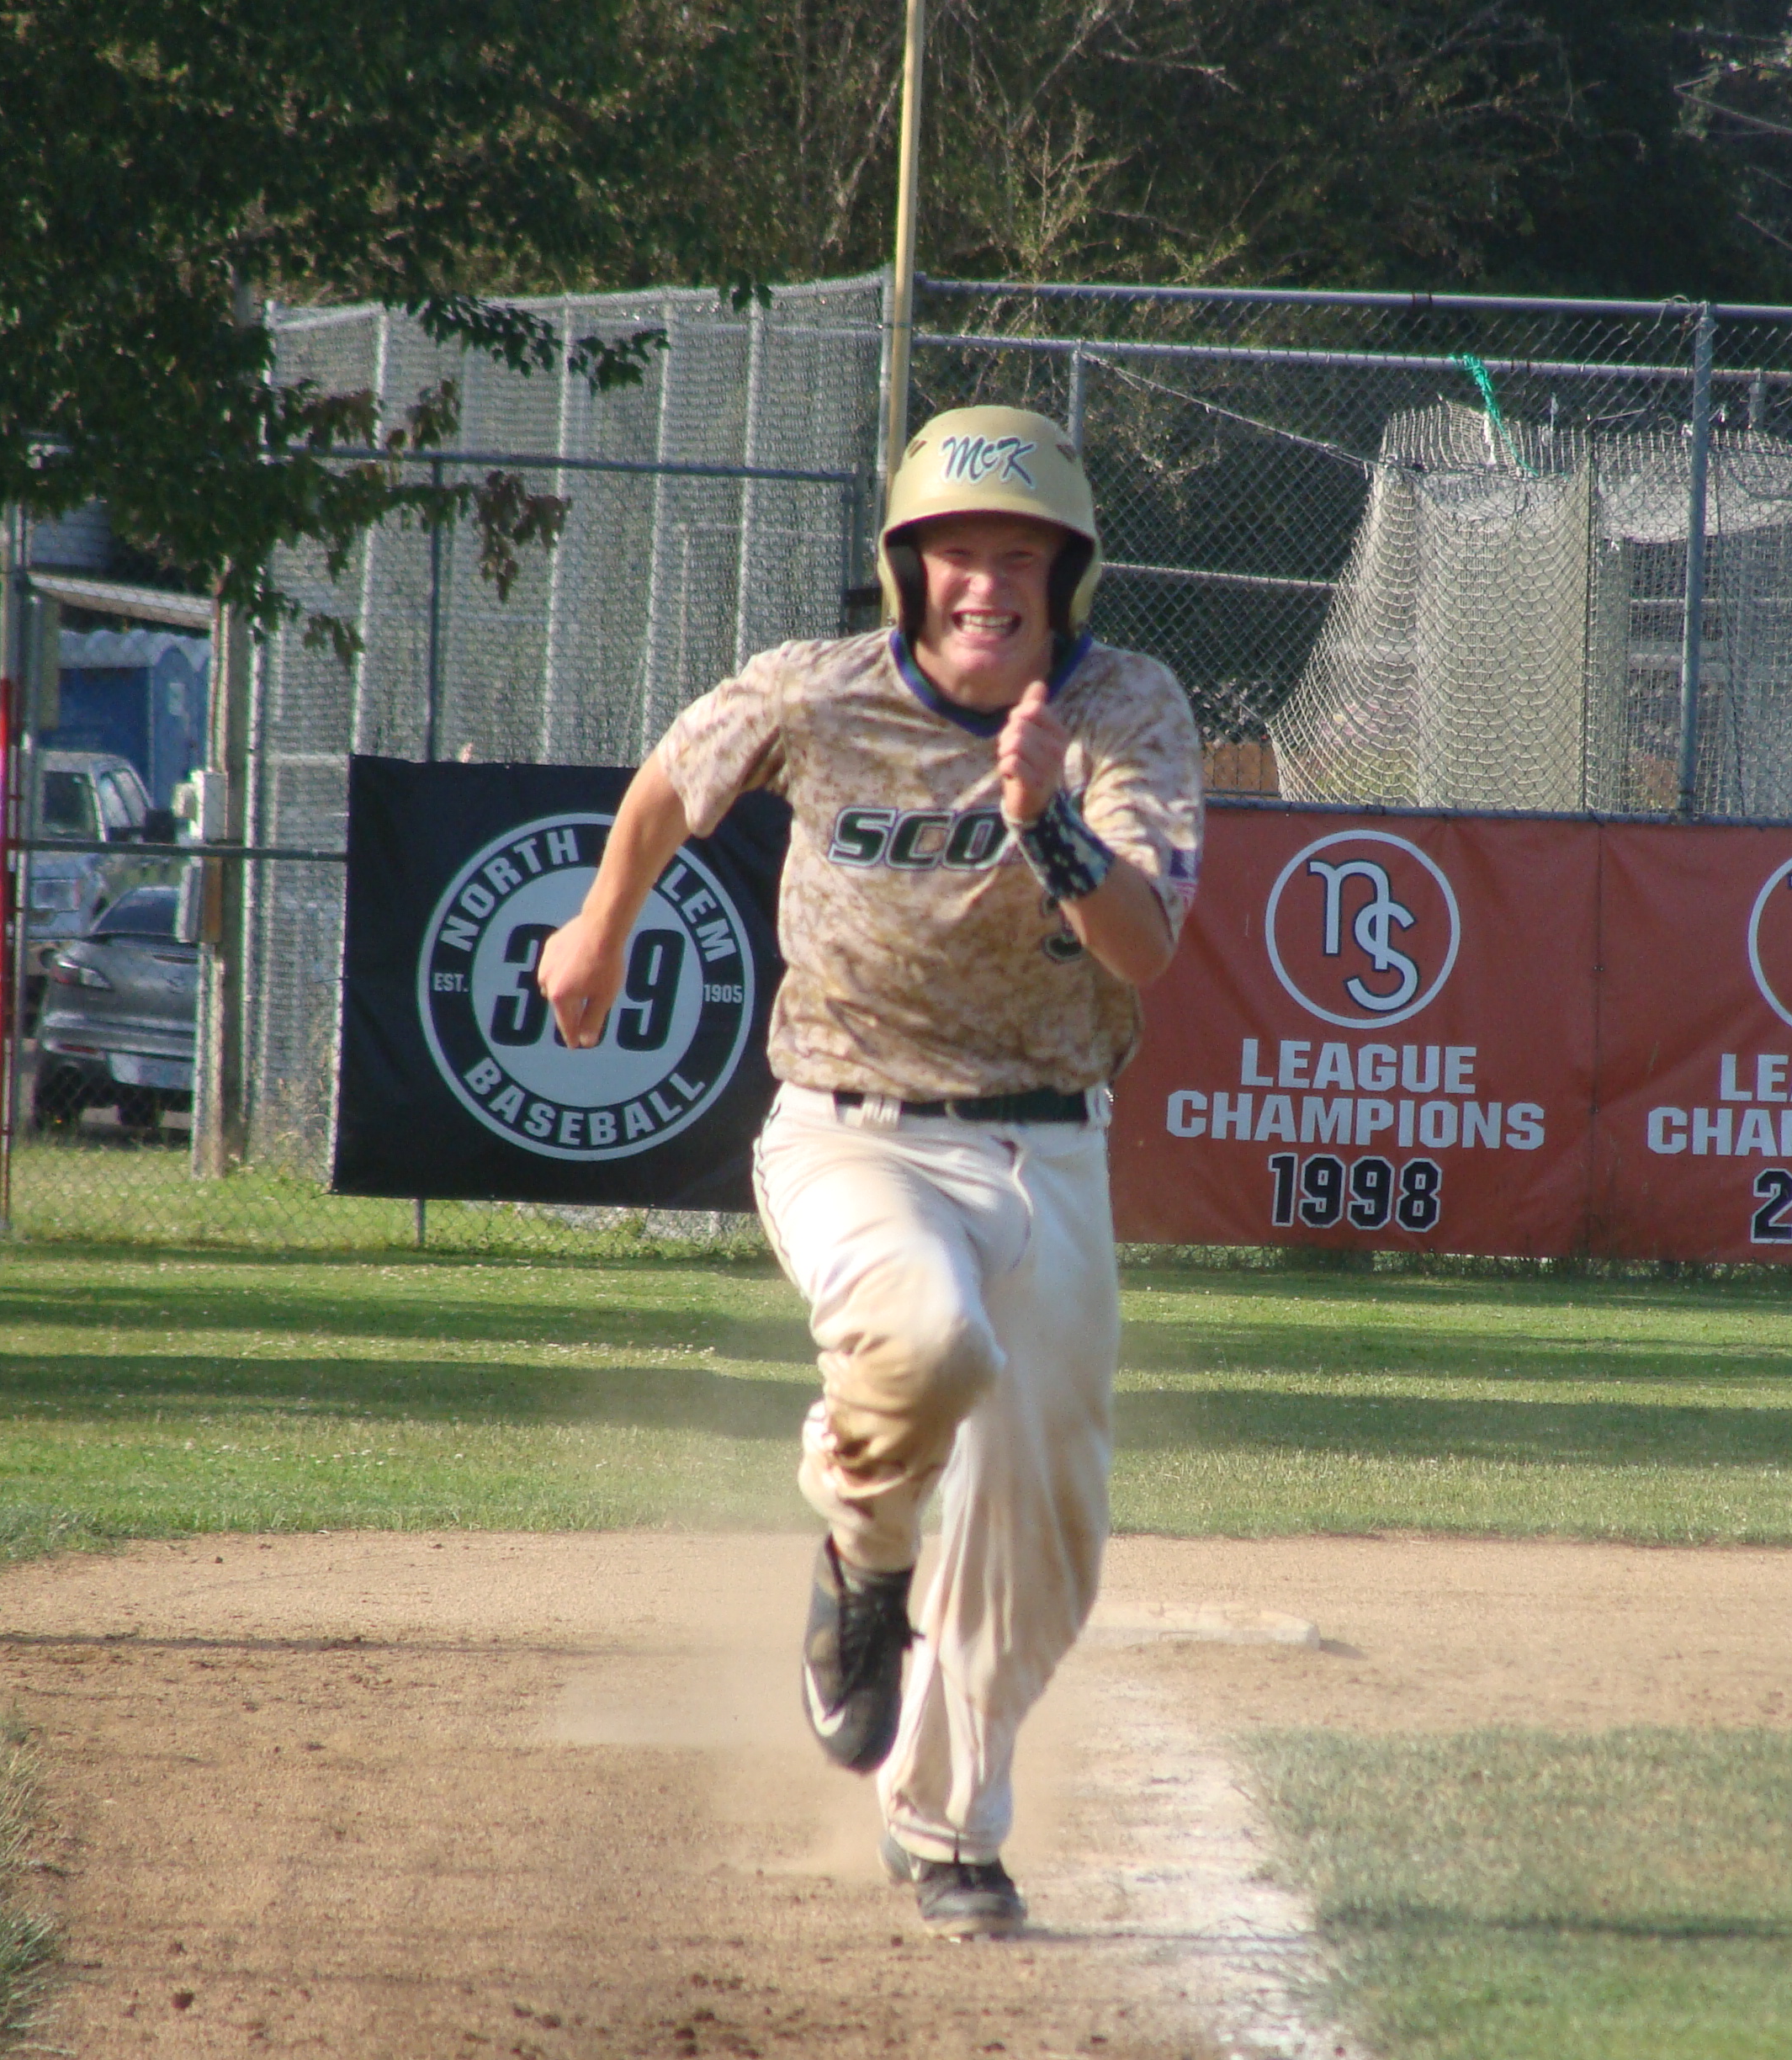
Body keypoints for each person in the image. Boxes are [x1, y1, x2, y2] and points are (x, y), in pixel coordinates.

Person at [536, 404, 1203, 1941]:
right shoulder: (816, 688)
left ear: (1068, 578)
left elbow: (1146, 947)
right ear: (908, 570)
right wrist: (600, 924)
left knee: (1046, 1530)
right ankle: (864, 1551)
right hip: (852, 1125)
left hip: (1052, 1141)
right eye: (958, 554)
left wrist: (1047, 824)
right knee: (923, 1336)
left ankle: (945, 1826)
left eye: (1022, 557)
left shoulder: (1124, 709)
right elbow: (671, 782)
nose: (989, 585)